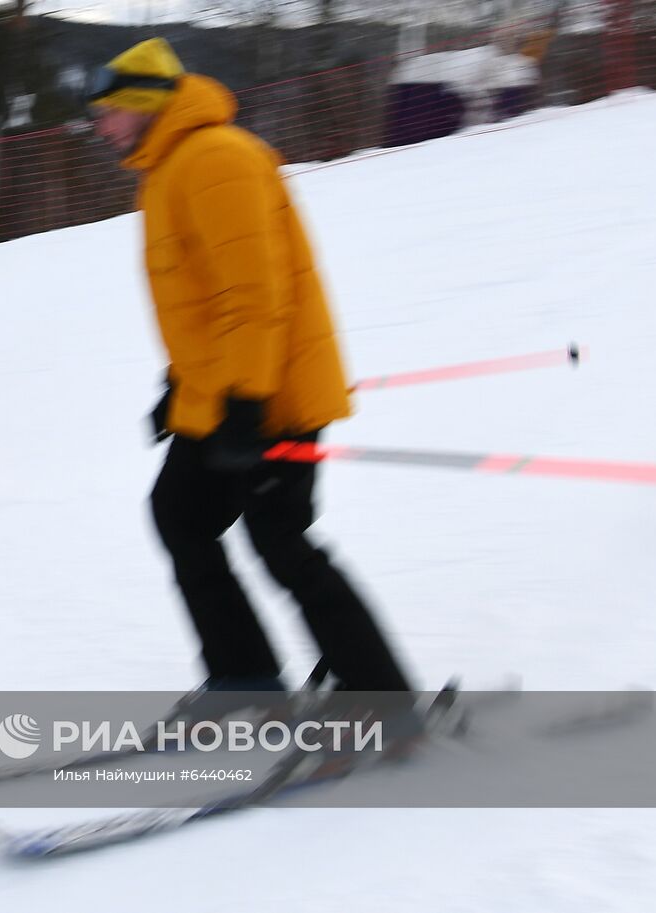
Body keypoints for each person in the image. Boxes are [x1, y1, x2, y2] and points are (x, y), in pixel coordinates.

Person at [84, 39, 414, 696]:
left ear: (145, 105)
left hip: (268, 399)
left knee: (281, 542)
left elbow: (253, 295)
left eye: (111, 111)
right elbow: (203, 301)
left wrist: (244, 403)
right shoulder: (172, 169)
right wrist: (177, 387)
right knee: (180, 514)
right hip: (223, 393)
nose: (102, 126)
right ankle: (245, 677)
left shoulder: (215, 160)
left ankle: (381, 697)